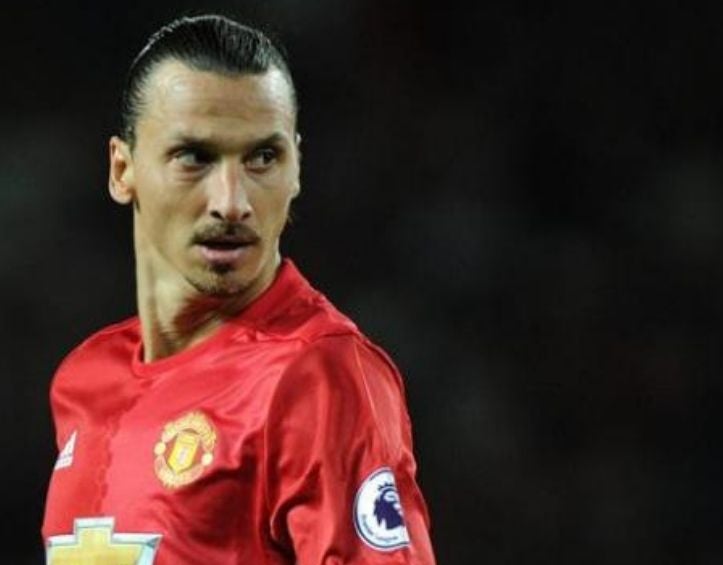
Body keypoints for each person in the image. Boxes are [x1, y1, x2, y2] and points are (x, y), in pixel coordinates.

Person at [41, 14, 435, 564]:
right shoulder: (84, 380)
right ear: (122, 170)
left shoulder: (317, 376)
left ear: (297, 169)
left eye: (263, 158)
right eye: (195, 157)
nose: (232, 202)